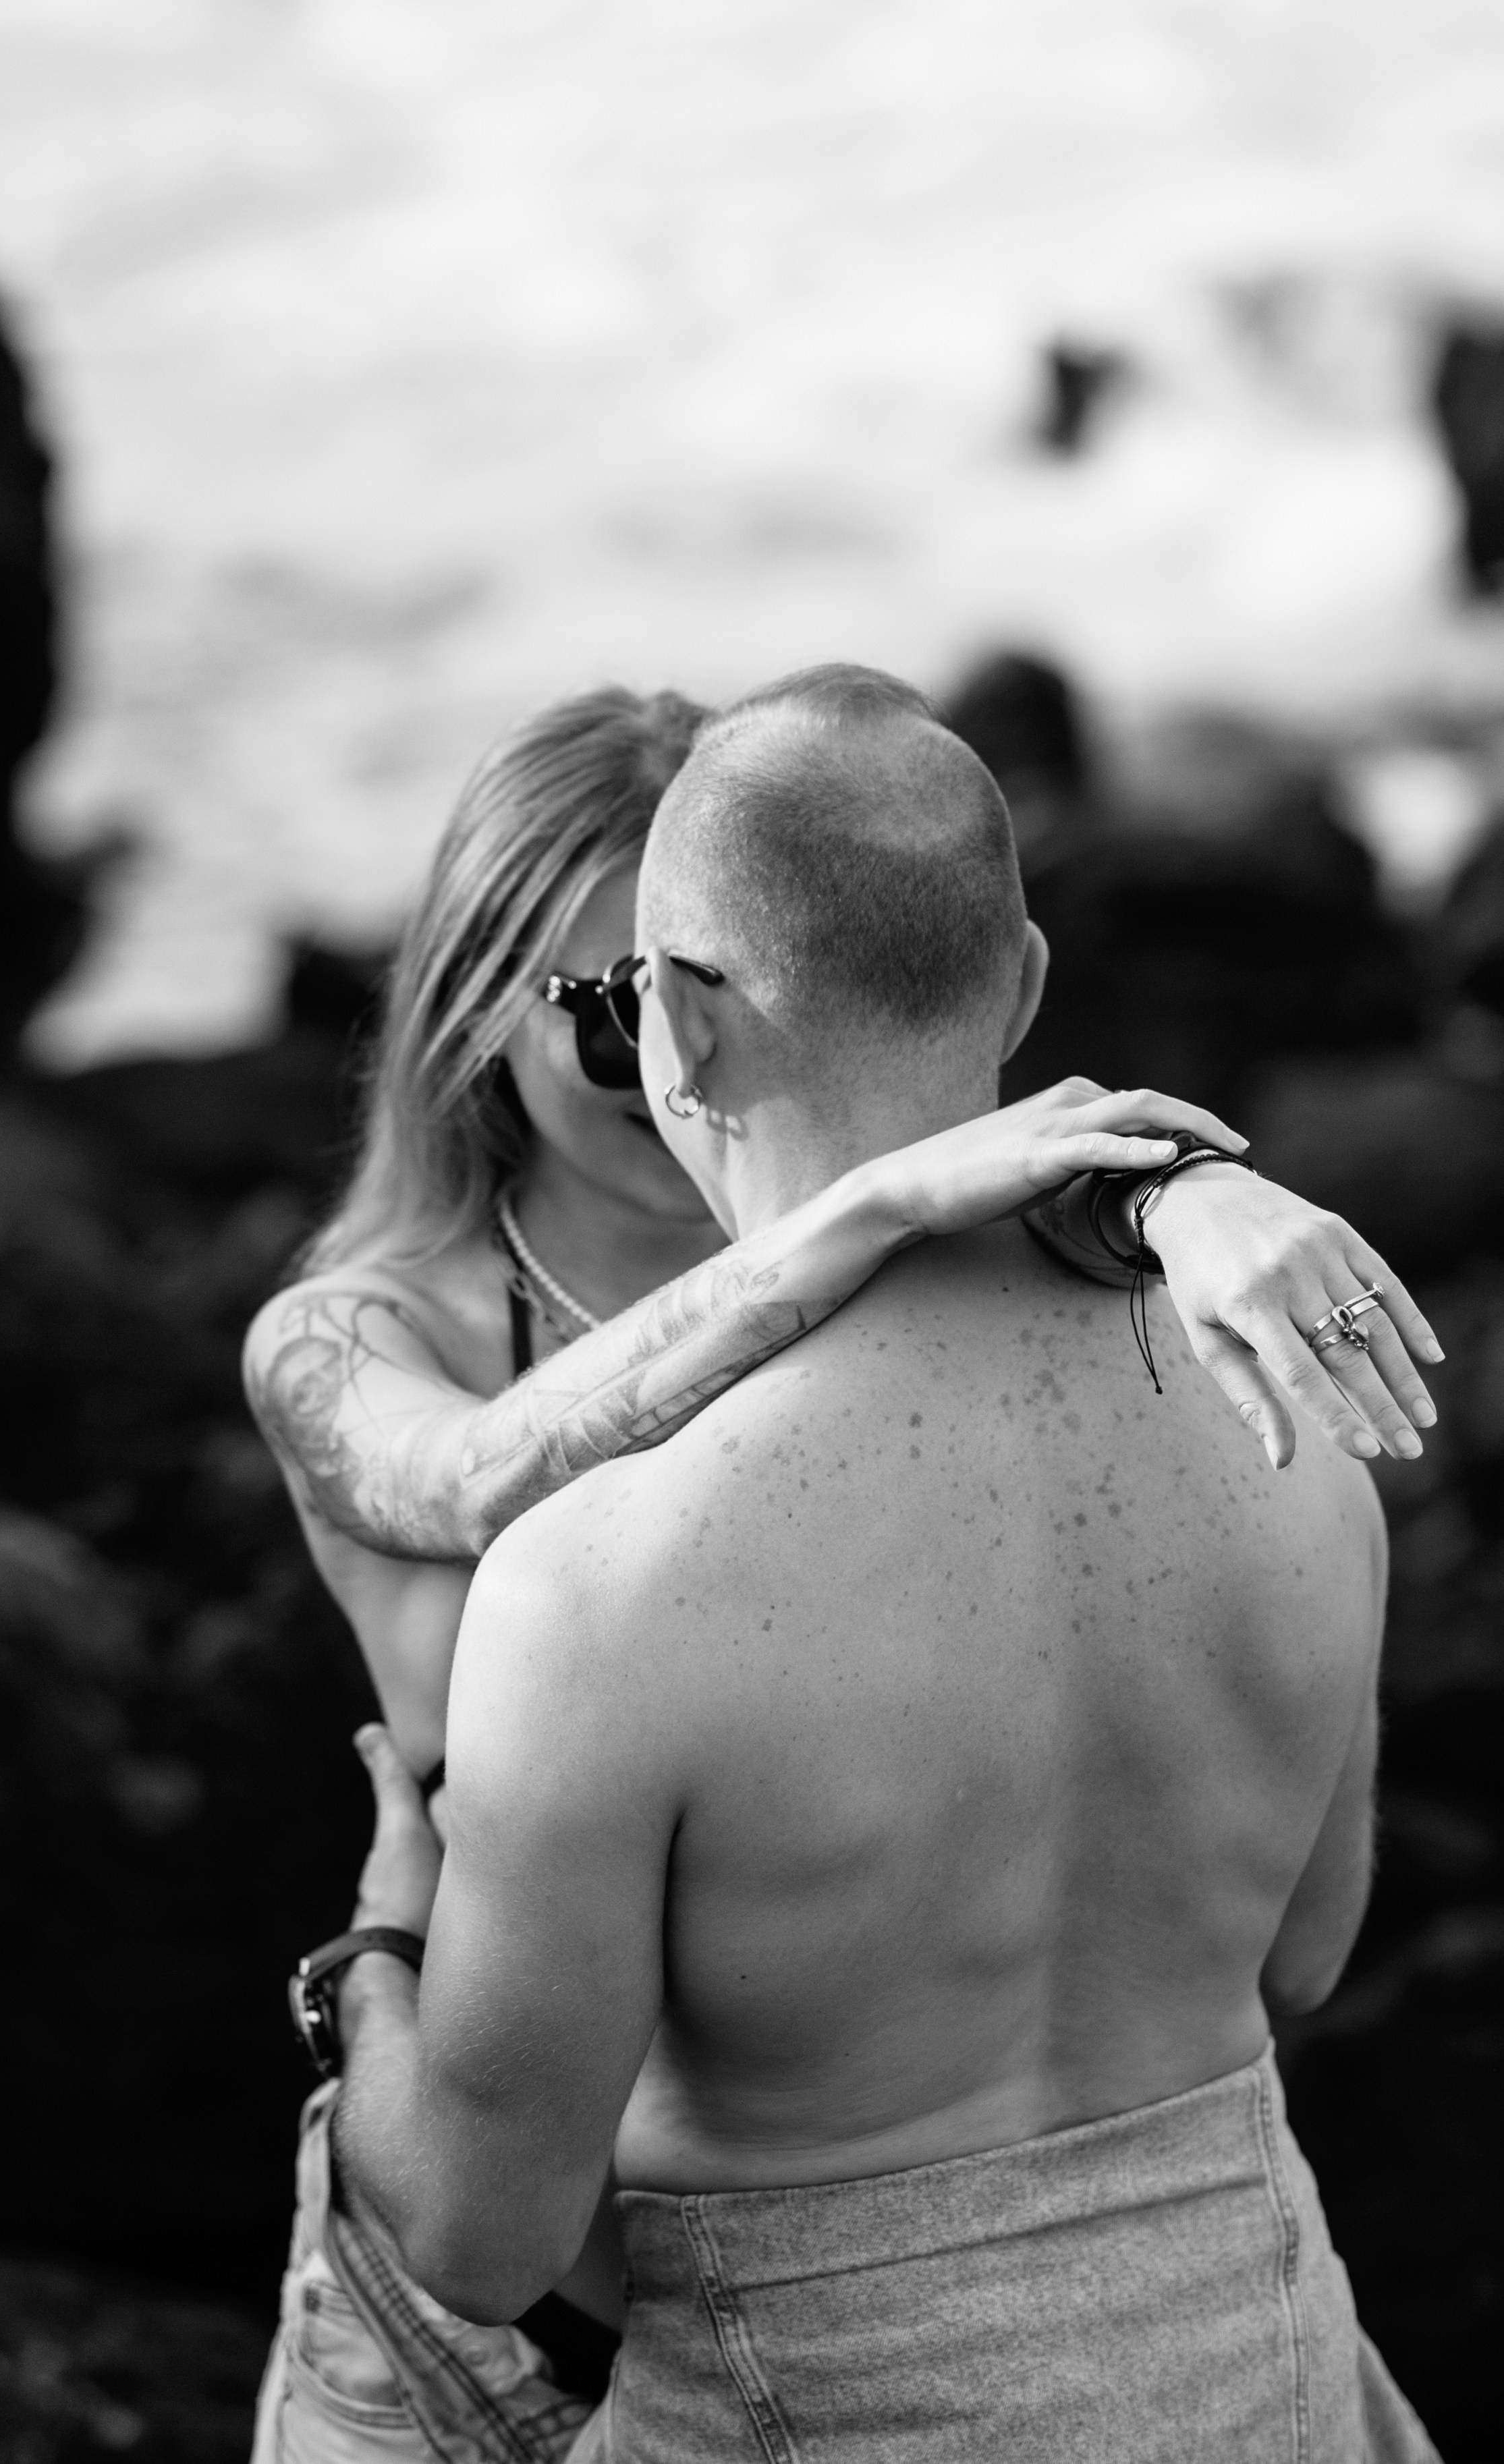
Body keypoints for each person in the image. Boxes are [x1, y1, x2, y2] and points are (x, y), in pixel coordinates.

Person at [245, 683, 1441, 2460]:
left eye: (636, 1004)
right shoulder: (1293, 1445)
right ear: (1021, 989)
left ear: (682, 1021)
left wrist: (371, 1950)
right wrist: (1070, 1189)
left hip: (736, 2310)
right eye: (583, 1010)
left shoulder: (607, 1580)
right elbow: (1300, 1956)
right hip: (1156, 2346)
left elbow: (485, 2229)